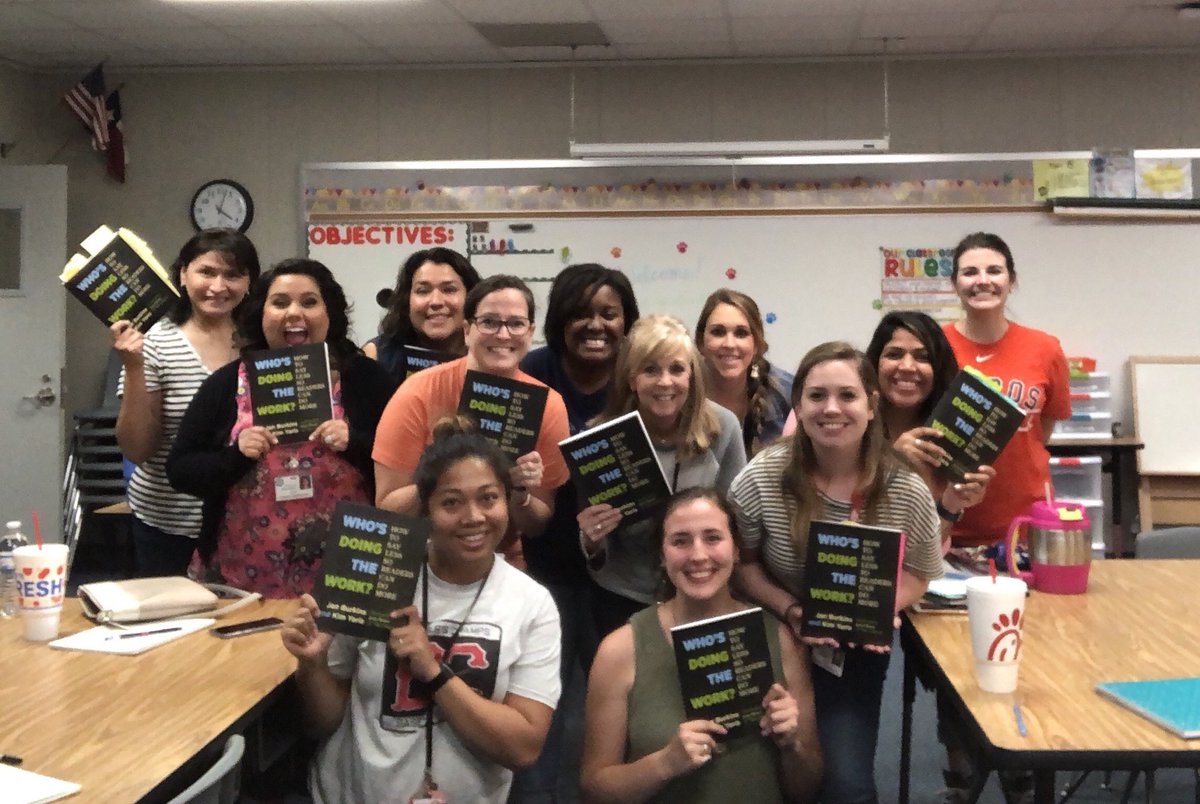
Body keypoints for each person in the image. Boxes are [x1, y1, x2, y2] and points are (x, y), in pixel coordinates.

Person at [282, 419, 562, 803]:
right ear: (425, 509)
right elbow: (320, 724)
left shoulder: (532, 603)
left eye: (488, 498)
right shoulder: (378, 572)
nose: (474, 516)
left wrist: (432, 671)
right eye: (451, 501)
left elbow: (523, 749)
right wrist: (312, 665)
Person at [728, 341, 943, 804]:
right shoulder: (761, 476)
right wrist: (791, 611)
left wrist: (874, 607)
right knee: (762, 775)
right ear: (799, 407)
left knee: (847, 787)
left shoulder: (905, 487)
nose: (831, 409)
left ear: (871, 406)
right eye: (816, 396)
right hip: (775, 635)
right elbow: (742, 567)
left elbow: (921, 573)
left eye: (847, 395)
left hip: (853, 647)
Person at [167, 258, 396, 597]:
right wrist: (235, 456)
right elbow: (180, 470)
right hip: (242, 581)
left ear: (329, 313)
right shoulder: (226, 383)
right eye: (279, 302)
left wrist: (357, 443)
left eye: (309, 302)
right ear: (261, 314)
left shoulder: (367, 378)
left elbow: (408, 466)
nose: (294, 313)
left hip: (349, 577)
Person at [580, 486, 822, 804]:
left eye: (713, 538)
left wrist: (792, 746)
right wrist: (664, 764)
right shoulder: (620, 650)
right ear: (662, 556)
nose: (698, 555)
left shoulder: (779, 638)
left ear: (736, 550)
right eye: (680, 541)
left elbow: (808, 789)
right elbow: (593, 789)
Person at [514, 263, 639, 802]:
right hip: (545, 573)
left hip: (626, 577)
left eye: (609, 314)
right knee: (544, 710)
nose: (596, 325)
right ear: (560, 320)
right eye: (581, 313)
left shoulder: (642, 378)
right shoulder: (531, 377)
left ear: (626, 322)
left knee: (627, 711)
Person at [373, 274, 571, 565]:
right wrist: (445, 475)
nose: (503, 335)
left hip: (502, 562)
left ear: (529, 333)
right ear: (467, 330)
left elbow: (536, 524)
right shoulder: (417, 392)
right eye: (489, 322)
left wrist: (518, 490)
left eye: (515, 323)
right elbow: (387, 510)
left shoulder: (548, 405)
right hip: (421, 559)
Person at [578, 314, 747, 638]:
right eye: (651, 369)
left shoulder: (723, 427)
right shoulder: (601, 437)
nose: (665, 382)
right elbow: (596, 548)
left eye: (676, 369)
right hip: (623, 597)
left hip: (701, 591)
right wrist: (592, 540)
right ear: (632, 378)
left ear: (692, 375)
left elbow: (734, 522)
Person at [110, 228, 260, 576]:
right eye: (207, 271)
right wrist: (134, 367)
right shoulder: (154, 342)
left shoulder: (261, 343)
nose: (219, 286)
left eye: (233, 274)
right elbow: (137, 448)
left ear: (250, 281)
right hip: (169, 525)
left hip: (250, 521)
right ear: (182, 274)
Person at [942, 232, 1071, 547]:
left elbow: (1044, 426)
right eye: (970, 272)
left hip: (1025, 526)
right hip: (948, 525)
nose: (982, 280)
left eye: (994, 271)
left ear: (1011, 280)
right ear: (954, 283)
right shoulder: (935, 345)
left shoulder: (1045, 348)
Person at [864, 311, 994, 550]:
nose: (907, 366)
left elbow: (928, 550)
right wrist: (892, 461)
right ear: (874, 363)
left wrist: (952, 503)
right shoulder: (851, 420)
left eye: (923, 357)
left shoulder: (950, 434)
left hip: (922, 574)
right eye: (894, 354)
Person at [694, 288, 793, 457]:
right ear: (701, 342)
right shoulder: (682, 391)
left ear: (756, 345)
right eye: (718, 332)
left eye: (741, 333)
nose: (729, 344)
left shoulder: (788, 392)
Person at [364, 247, 481, 383]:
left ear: (472, 296)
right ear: (406, 299)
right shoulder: (376, 355)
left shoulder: (491, 355)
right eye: (423, 291)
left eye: (449, 289)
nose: (436, 301)